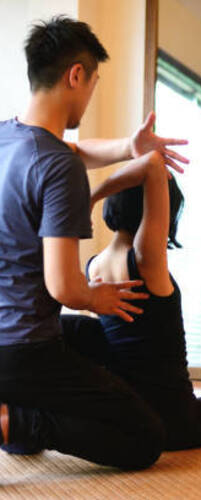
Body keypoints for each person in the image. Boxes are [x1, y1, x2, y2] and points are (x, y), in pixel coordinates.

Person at [0, 16, 188, 469]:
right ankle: (11, 423)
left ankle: (16, 412)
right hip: (24, 349)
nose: (89, 97)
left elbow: (76, 152)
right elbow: (64, 287)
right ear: (76, 75)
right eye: (93, 84)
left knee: (93, 341)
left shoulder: (8, 139)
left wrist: (131, 145)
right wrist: (96, 298)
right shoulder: (57, 167)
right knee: (145, 436)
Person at [86, 149, 201, 450]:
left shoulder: (93, 267)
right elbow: (153, 166)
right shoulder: (145, 260)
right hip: (178, 421)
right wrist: (93, 195)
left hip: (131, 414)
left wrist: (95, 197)